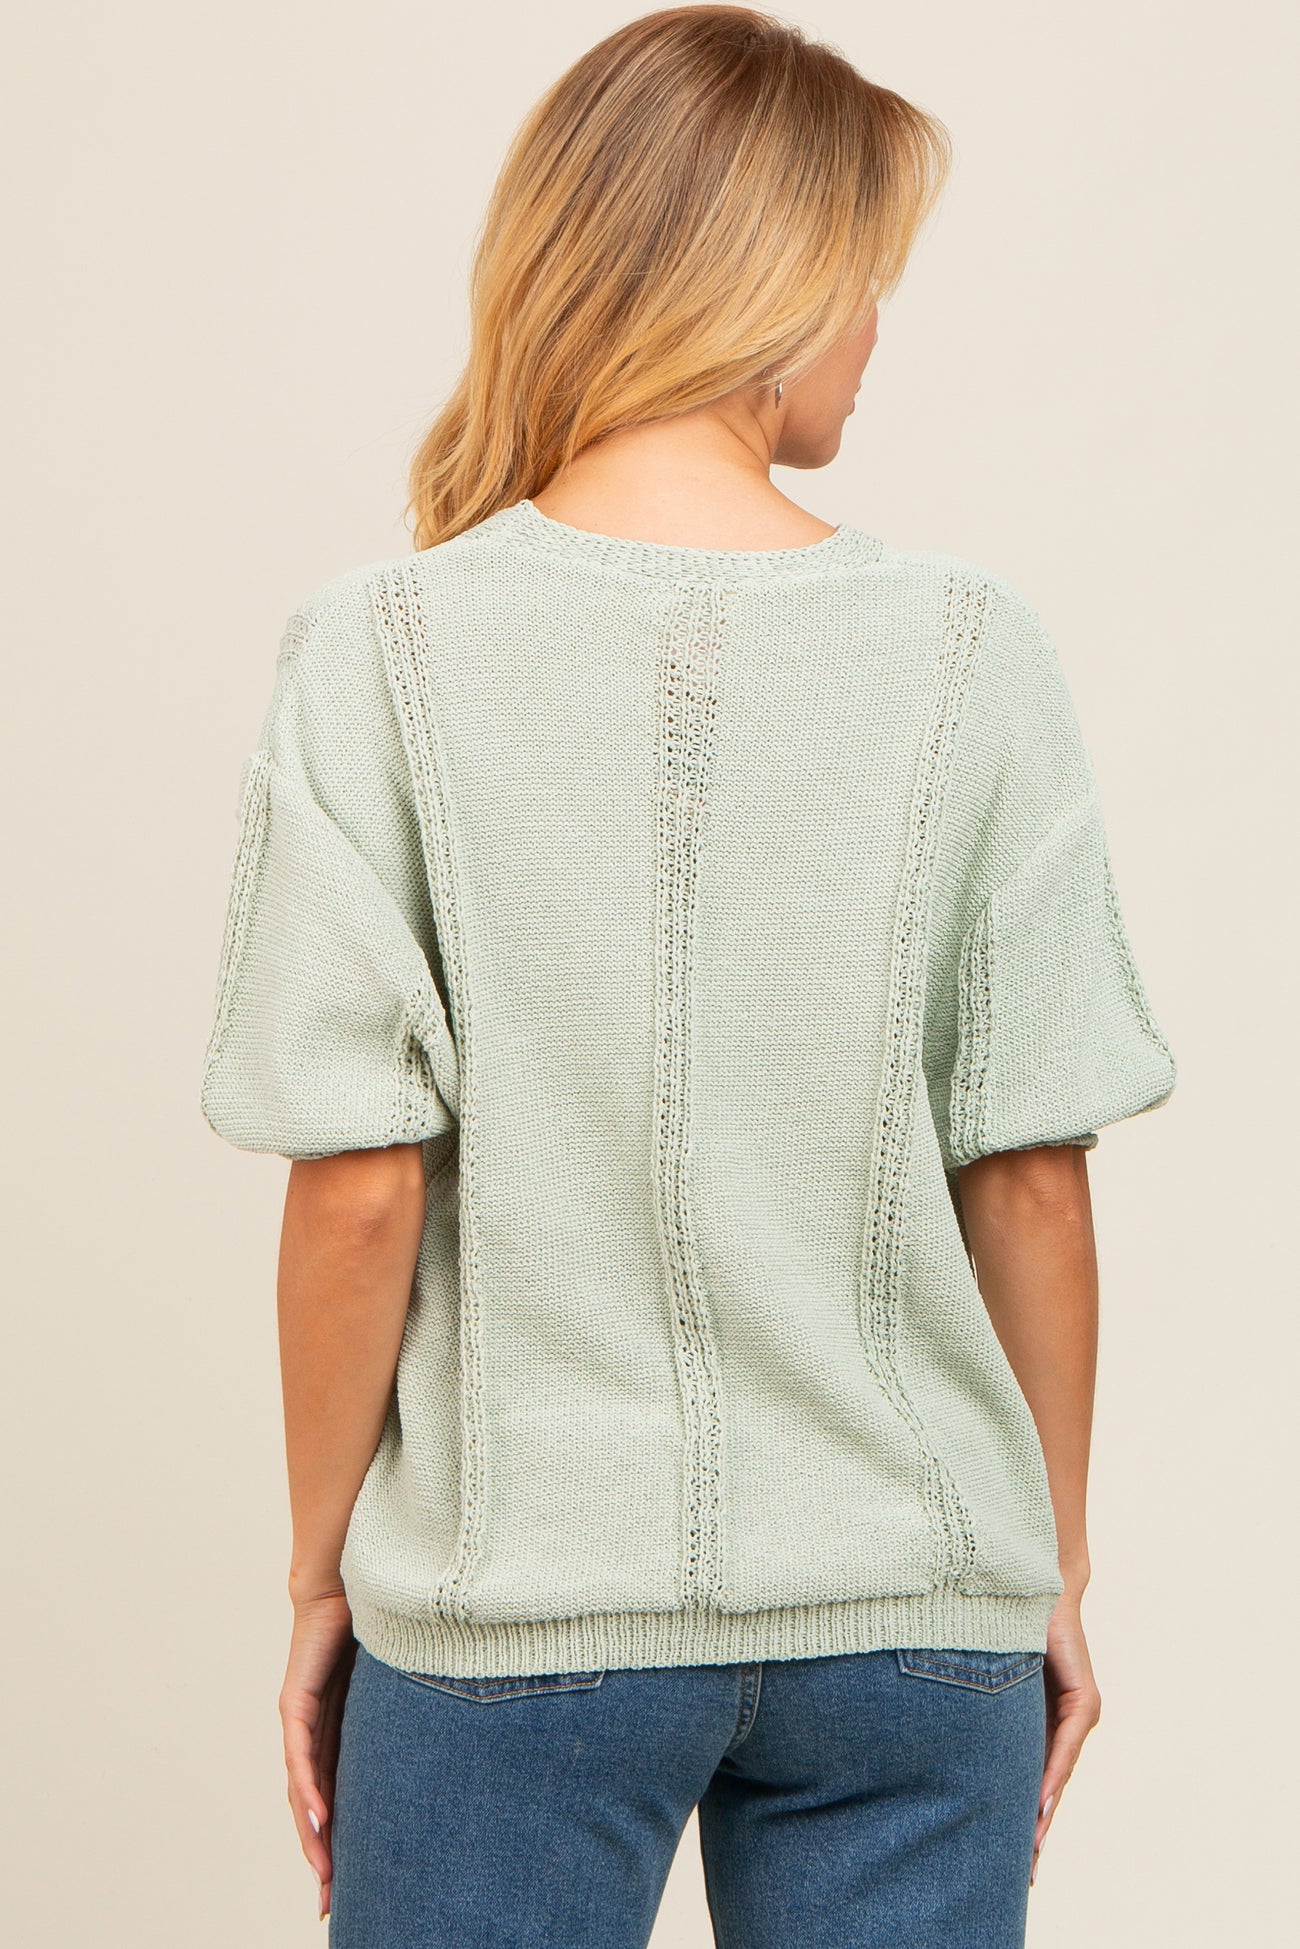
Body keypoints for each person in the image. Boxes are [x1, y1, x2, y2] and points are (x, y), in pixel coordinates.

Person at [198, 8, 1177, 1945]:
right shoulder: (973, 651)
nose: (876, 331)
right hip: (915, 1625)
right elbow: (1034, 1179)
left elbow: (359, 1184)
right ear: (765, 287)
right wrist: (1047, 1566)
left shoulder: (378, 650)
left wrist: (320, 1572)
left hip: (512, 1614)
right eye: (863, 278)